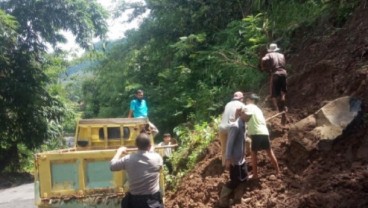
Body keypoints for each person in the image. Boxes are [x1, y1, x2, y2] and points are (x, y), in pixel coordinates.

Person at [110, 133, 164, 208]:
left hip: (135, 201)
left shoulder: (128, 159)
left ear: (136, 145)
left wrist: (119, 151)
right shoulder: (157, 157)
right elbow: (159, 167)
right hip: (153, 200)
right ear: (149, 145)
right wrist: (151, 151)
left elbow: (112, 166)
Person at [219, 106, 251, 208]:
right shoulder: (235, 126)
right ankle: (223, 200)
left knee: (244, 178)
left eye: (250, 115)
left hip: (241, 159)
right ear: (241, 114)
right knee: (235, 181)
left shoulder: (243, 125)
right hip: (235, 160)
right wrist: (228, 158)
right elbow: (229, 143)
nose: (249, 116)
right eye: (247, 115)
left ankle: (238, 199)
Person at [244, 93, 280, 179]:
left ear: (252, 100)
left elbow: (245, 117)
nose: (246, 101)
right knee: (269, 151)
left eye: (247, 99)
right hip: (264, 132)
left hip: (256, 132)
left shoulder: (249, 107)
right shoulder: (258, 109)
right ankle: (278, 171)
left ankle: (255, 175)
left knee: (253, 153)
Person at [261, 43, 288, 125]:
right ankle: (283, 102)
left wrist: (263, 67)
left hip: (275, 73)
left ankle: (277, 110)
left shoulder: (269, 54)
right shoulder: (281, 55)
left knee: (273, 94)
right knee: (283, 91)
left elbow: (263, 59)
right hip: (283, 73)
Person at [218, 91, 246, 166]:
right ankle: (235, 164)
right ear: (241, 98)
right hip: (232, 128)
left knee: (224, 148)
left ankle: (225, 166)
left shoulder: (227, 104)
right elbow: (243, 118)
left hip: (221, 128)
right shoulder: (242, 105)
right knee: (236, 145)